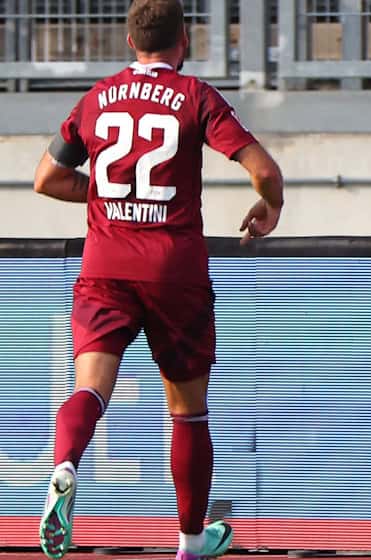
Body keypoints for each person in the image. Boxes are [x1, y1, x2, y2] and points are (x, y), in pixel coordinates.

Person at [33, 1, 284, 559]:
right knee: (188, 411)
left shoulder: (97, 99)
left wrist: (100, 194)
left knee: (90, 387)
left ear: (129, 42)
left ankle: (64, 467)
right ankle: (192, 542)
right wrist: (270, 206)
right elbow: (264, 170)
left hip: (106, 268)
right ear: (185, 41)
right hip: (175, 273)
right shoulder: (196, 97)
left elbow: (47, 178)